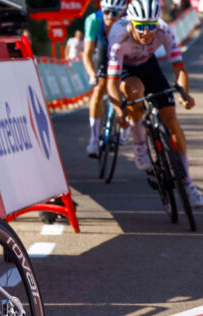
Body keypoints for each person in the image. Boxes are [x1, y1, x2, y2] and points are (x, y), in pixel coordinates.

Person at [106, 0, 203, 206]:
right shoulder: (118, 37)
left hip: (149, 66)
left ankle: (187, 183)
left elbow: (179, 67)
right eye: (141, 26)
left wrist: (184, 94)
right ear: (130, 23)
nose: (147, 32)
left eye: (152, 25)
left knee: (172, 120)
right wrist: (118, 109)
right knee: (136, 91)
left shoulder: (165, 32)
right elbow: (112, 83)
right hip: (126, 70)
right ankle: (139, 140)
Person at [82, 0, 127, 158]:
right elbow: (87, 53)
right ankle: (94, 139)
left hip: (123, 49)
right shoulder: (94, 20)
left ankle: (124, 126)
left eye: (115, 13)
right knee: (99, 88)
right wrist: (92, 75)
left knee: (126, 85)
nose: (110, 16)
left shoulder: (128, 20)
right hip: (103, 48)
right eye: (106, 11)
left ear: (122, 13)